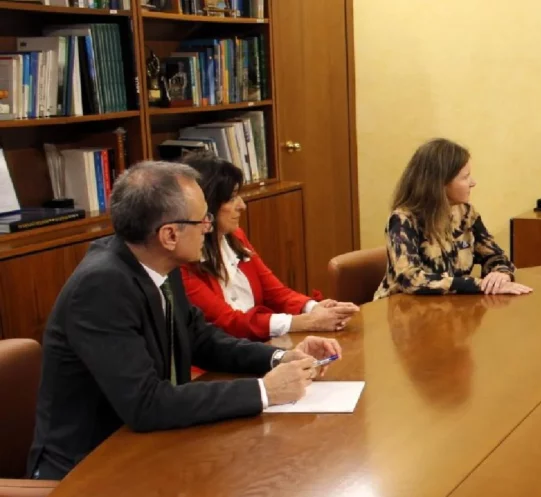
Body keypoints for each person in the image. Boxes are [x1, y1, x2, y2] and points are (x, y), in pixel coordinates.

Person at [29, 161, 341, 480]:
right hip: (85, 470)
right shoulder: (101, 288)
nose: (208, 226)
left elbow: (202, 339)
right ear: (169, 234)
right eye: (202, 219)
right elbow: (146, 403)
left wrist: (280, 358)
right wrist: (264, 391)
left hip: (144, 449)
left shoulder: (159, 264)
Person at [180, 152, 359, 341]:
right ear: (206, 204)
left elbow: (276, 293)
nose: (242, 206)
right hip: (222, 359)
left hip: (259, 345)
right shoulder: (182, 261)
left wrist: (314, 308)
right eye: (232, 198)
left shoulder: (236, 237)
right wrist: (306, 322)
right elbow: (228, 322)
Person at [374, 138, 531, 297]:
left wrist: (501, 274)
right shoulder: (403, 220)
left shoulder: (466, 214)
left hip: (448, 310)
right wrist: (477, 284)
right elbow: (410, 280)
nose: (473, 183)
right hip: (403, 312)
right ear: (440, 183)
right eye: (465, 177)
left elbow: (495, 256)